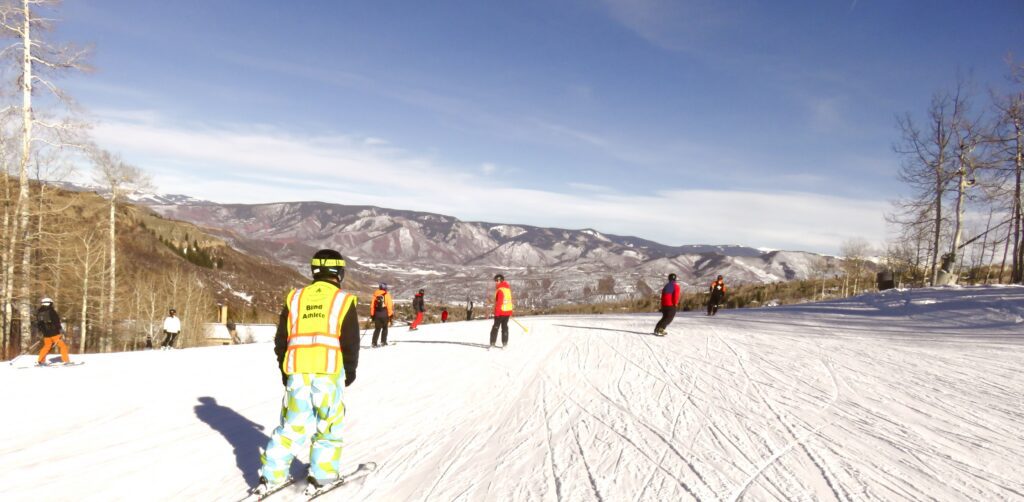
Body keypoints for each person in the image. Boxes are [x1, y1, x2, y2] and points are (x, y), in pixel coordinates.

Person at [257, 249, 360, 496]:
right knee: (328, 425)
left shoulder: (295, 298)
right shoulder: (343, 300)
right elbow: (350, 341)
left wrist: (285, 369)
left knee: (292, 425)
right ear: (339, 272)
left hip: (297, 371)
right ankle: (322, 476)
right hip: (328, 372)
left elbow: (281, 340)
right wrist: (350, 370)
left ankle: (272, 475)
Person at [36, 297, 71, 365]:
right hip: (54, 333)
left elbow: (39, 324)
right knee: (63, 346)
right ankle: (66, 360)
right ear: (49, 303)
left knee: (46, 346)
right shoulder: (52, 311)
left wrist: (42, 332)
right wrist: (60, 329)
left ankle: (41, 360)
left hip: (46, 334)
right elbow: (56, 322)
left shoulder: (39, 312)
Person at [489, 274, 513, 349]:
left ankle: (492, 344)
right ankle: (505, 344)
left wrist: (496, 313)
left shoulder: (500, 290)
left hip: (500, 312)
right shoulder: (507, 289)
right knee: (505, 327)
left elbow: (499, 302)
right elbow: (509, 301)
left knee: (495, 328)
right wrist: (510, 312)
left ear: (500, 280)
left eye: (497, 280)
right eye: (495, 281)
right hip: (507, 312)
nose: (495, 282)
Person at [370, 283, 393, 347]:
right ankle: (383, 342)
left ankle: (374, 343)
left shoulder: (375, 295)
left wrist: (372, 315)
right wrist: (390, 315)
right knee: (385, 328)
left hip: (377, 314)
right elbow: (389, 306)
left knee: (377, 329)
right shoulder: (387, 295)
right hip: (384, 314)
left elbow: (372, 306)